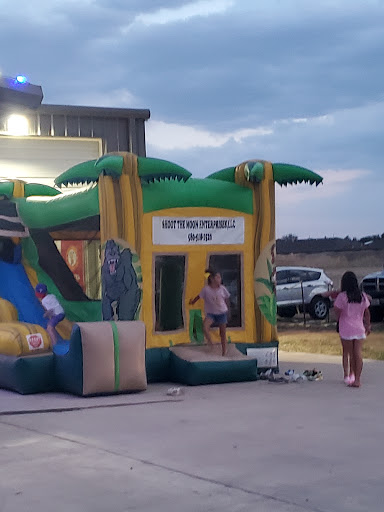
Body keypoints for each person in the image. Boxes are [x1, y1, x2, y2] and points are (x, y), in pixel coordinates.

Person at [333, 271, 371, 388]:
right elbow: (367, 312)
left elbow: (337, 312)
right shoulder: (362, 296)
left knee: (350, 354)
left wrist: (338, 319)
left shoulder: (342, 297)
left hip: (346, 328)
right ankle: (357, 379)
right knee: (358, 353)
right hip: (359, 328)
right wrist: (368, 325)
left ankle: (351, 375)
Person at [189, 269, 230, 356]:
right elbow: (199, 296)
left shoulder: (222, 289)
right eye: (217, 277)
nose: (220, 279)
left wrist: (228, 310)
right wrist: (192, 302)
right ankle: (211, 344)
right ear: (211, 279)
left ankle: (224, 352)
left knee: (222, 333)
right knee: (204, 327)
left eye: (220, 277)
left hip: (221, 313)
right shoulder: (206, 289)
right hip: (211, 314)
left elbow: (227, 298)